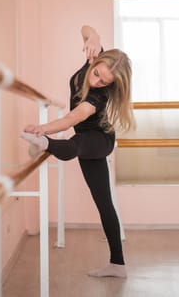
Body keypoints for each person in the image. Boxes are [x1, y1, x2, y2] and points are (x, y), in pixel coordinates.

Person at [20, 25, 135, 278]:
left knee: (77, 144)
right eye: (96, 74)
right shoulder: (97, 58)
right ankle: (118, 266)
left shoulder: (100, 95)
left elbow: (74, 117)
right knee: (103, 202)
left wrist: (42, 129)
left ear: (111, 84)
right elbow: (86, 29)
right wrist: (93, 35)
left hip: (100, 139)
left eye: (104, 81)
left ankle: (46, 144)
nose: (96, 81)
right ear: (96, 61)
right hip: (85, 137)